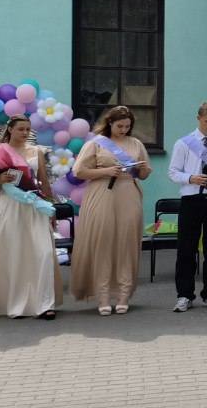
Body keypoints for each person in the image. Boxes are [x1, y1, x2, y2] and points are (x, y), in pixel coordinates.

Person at [0, 115, 63, 319]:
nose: (25, 133)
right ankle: (18, 304)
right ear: (10, 129)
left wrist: (51, 208)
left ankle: (46, 304)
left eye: (28, 129)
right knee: (16, 254)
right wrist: (0, 179)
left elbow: (44, 182)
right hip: (11, 207)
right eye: (21, 129)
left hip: (35, 206)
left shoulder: (36, 151)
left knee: (43, 253)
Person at [69, 106, 152, 315]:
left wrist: (143, 170)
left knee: (126, 243)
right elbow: (79, 171)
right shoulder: (95, 143)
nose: (124, 130)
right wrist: (106, 170)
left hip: (128, 194)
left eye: (127, 126)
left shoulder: (136, 144)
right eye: (119, 126)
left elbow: (143, 175)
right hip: (102, 194)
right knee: (103, 243)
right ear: (110, 123)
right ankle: (103, 296)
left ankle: (124, 295)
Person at [166, 101, 207, 313]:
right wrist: (190, 178)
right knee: (186, 248)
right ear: (198, 118)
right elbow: (173, 172)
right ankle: (184, 294)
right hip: (191, 199)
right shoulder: (184, 143)